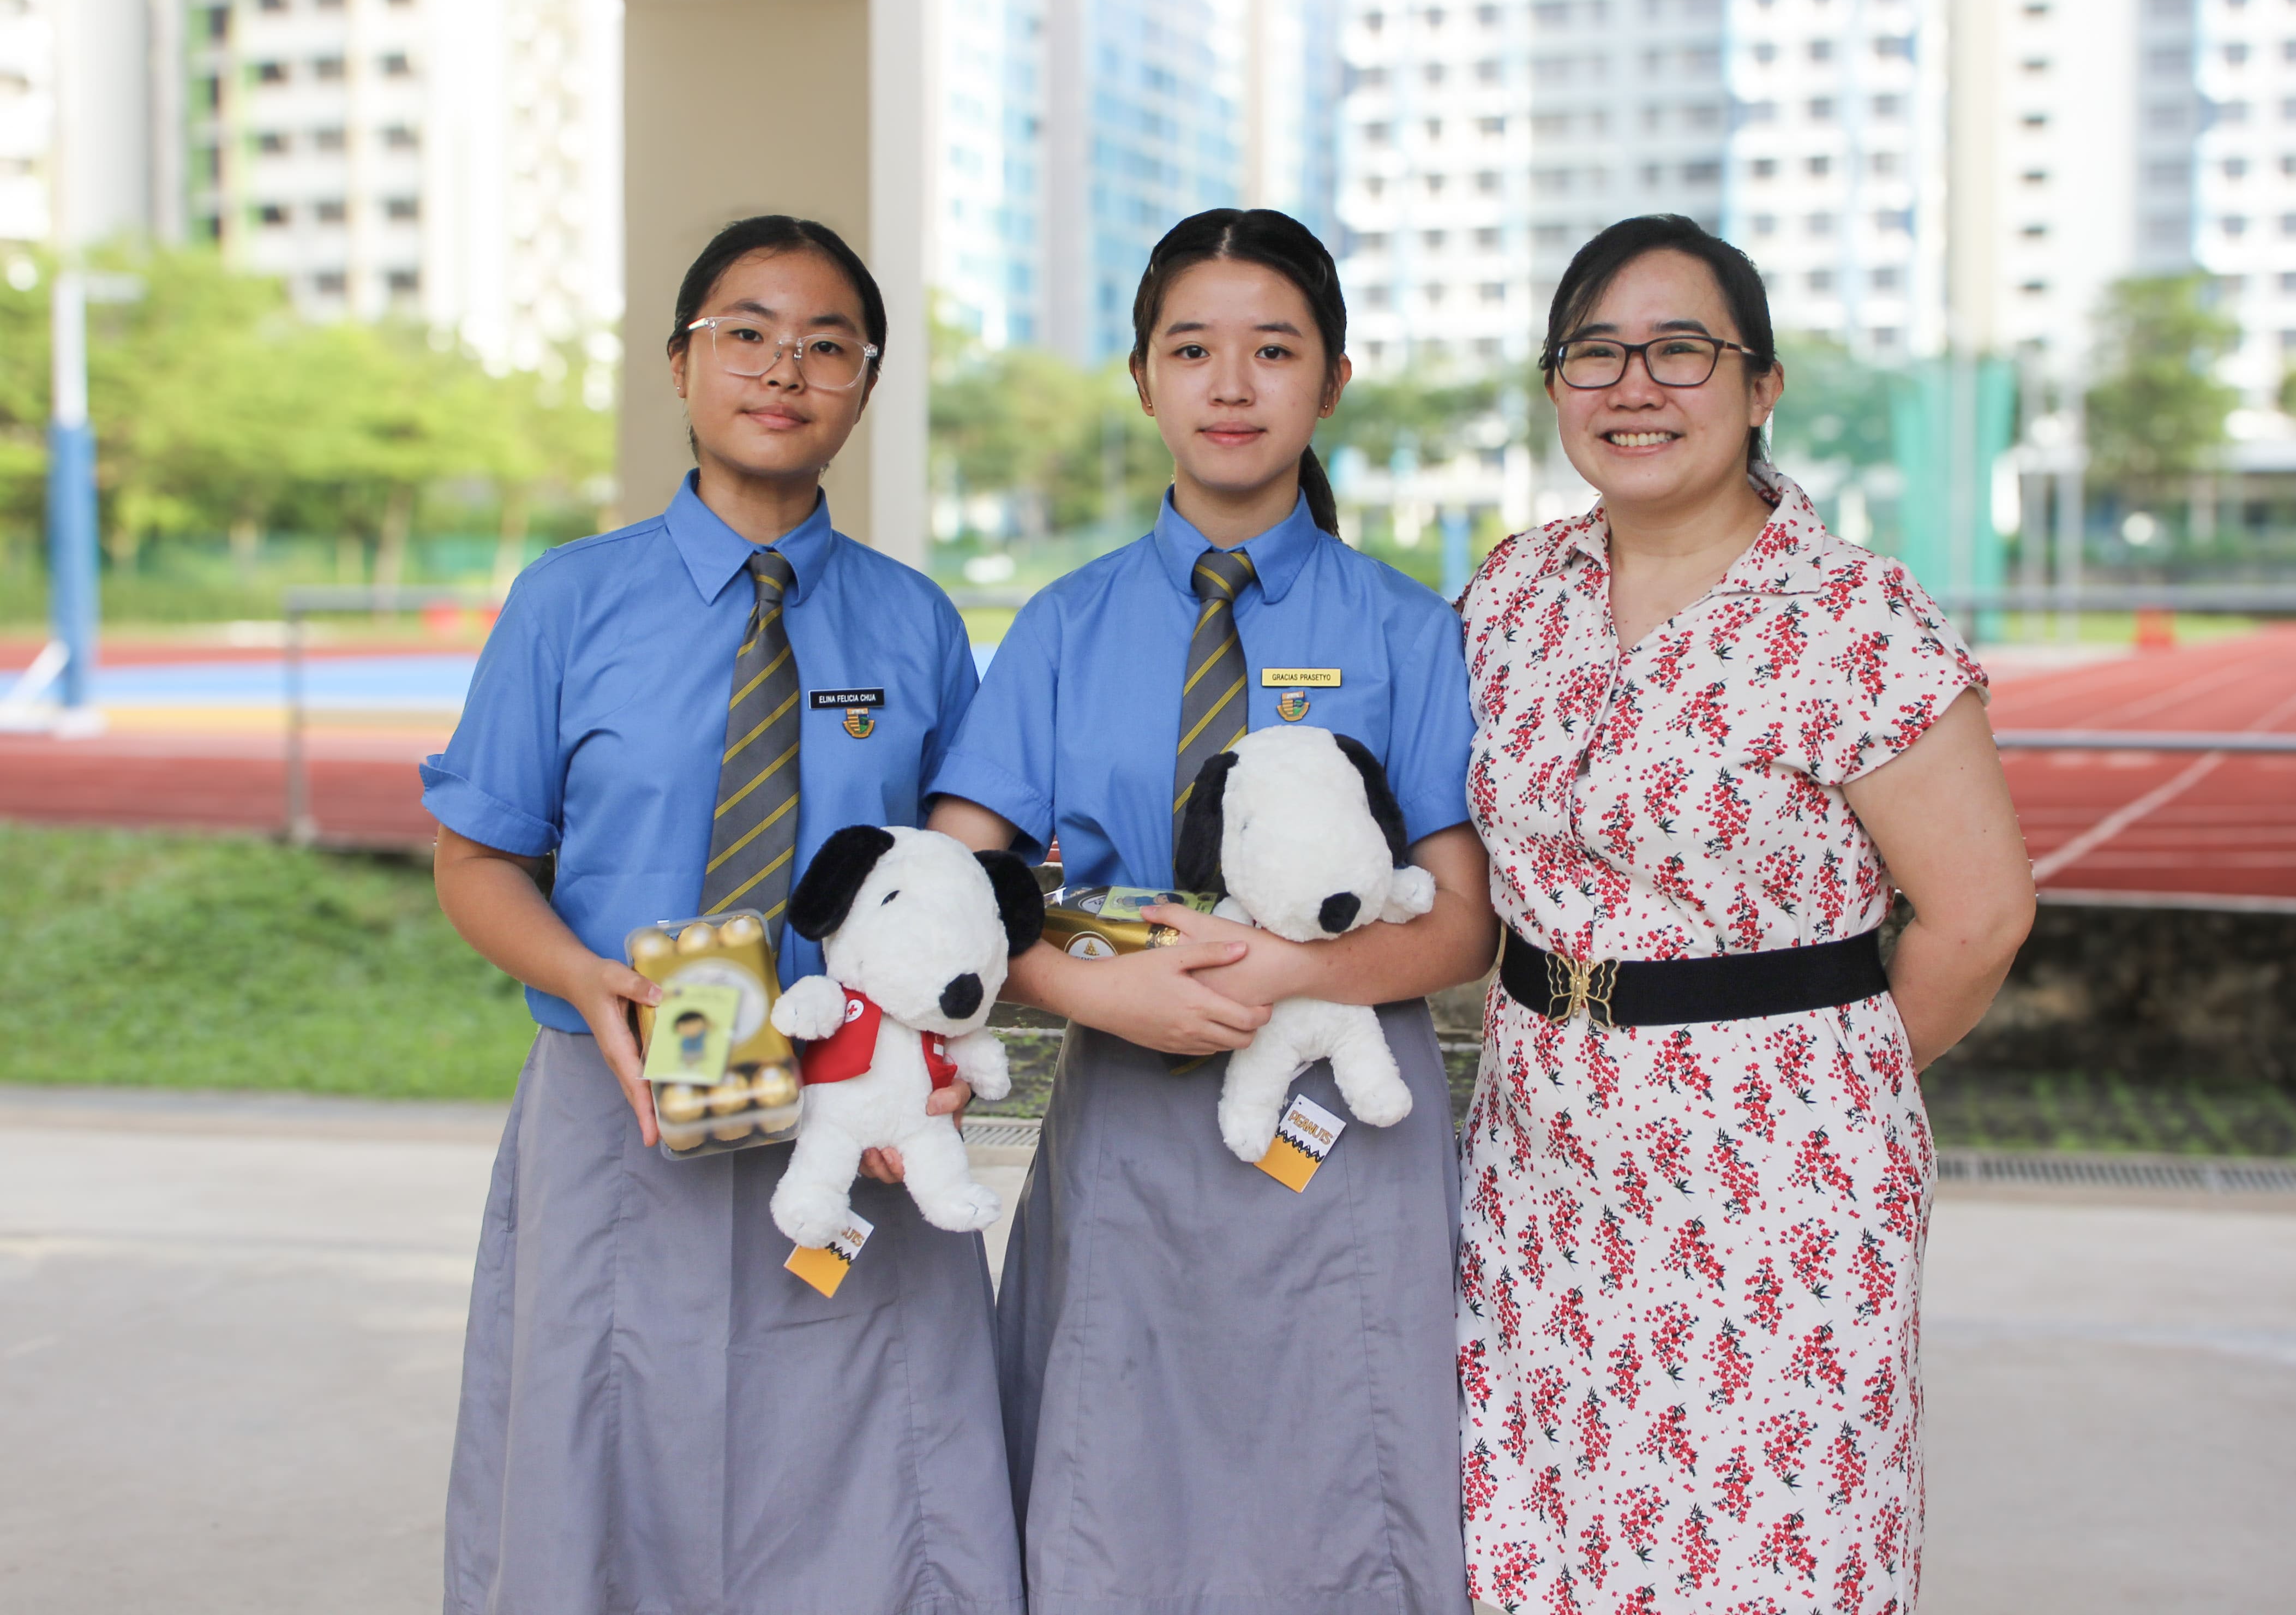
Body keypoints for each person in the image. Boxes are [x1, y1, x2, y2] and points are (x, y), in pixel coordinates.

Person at [422, 215, 1022, 1615]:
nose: (783, 368)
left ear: (865, 387)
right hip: (620, 1103)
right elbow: (477, 860)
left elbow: (965, 894)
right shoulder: (569, 603)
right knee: (605, 1453)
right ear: (680, 363)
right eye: (746, 332)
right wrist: (584, 976)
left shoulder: (916, 623)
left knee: (869, 1471)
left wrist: (933, 1068)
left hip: (855, 1113)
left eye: (828, 345)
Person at [1453, 216, 2035, 1614]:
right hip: (1533, 1168)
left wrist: (1817, 1084)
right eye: (1595, 352)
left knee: (1771, 1557)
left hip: (1779, 1185)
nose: (1633, 386)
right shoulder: (1512, 593)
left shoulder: (1852, 619)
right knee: (1534, 1550)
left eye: (1681, 351)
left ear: (1761, 385)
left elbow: (1980, 916)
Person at [926, 207, 1500, 1613]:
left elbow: (1465, 925)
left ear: (1334, 379)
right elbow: (952, 889)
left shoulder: (1407, 627)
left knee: (1349, 1513)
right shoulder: (1064, 627)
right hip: (1127, 1135)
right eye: (1192, 350)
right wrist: (1081, 985)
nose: (1231, 386)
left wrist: (1284, 967)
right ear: (1143, 379)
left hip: (1348, 1140)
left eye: (1274, 350)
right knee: (1120, 1511)